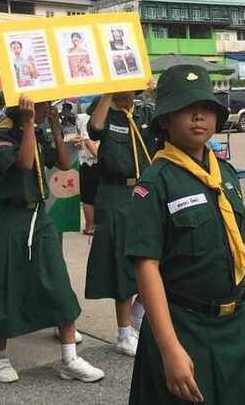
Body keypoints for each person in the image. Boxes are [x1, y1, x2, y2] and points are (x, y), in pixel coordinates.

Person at [126, 65, 245, 404]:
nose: (198, 116)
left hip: (237, 318)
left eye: (206, 107)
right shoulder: (155, 184)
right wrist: (169, 349)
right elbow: (146, 267)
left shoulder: (225, 174)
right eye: (185, 108)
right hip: (184, 326)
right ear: (165, 120)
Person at [0, 96, 104, 384]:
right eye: (41, 105)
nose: (46, 108)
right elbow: (25, 164)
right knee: (5, 285)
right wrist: (28, 124)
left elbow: (63, 162)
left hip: (39, 216)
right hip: (9, 219)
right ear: (22, 106)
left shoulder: (37, 131)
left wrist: (54, 126)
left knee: (57, 280)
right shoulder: (2, 135)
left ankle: (69, 359)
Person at [86, 91, 157, 356]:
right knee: (122, 263)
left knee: (155, 255)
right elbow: (94, 130)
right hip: (115, 194)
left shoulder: (145, 112)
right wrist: (108, 90)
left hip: (144, 190)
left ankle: (138, 313)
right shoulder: (105, 111)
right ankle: (124, 334)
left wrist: (155, 92)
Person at [75, 104, 99, 236]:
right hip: (89, 163)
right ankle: (89, 226)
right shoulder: (88, 120)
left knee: (93, 195)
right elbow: (87, 141)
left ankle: (94, 225)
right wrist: (101, 158)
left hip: (96, 162)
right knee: (89, 197)